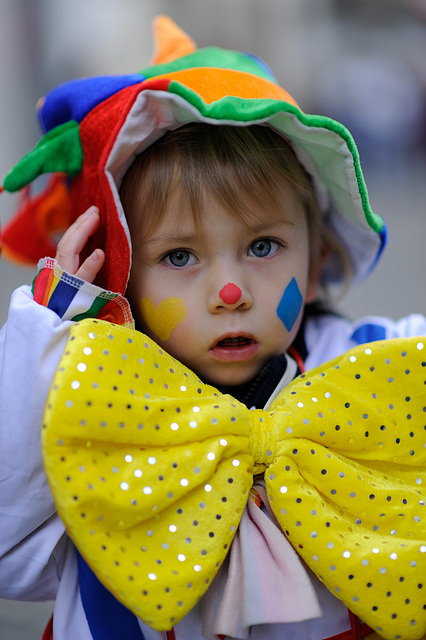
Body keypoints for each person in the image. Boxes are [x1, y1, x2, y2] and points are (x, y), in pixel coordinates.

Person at [0, 15, 425, 640]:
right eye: (179, 257)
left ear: (317, 263)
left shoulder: (372, 367)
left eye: (262, 246)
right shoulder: (98, 419)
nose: (229, 292)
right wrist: (51, 341)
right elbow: (13, 559)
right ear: (121, 274)